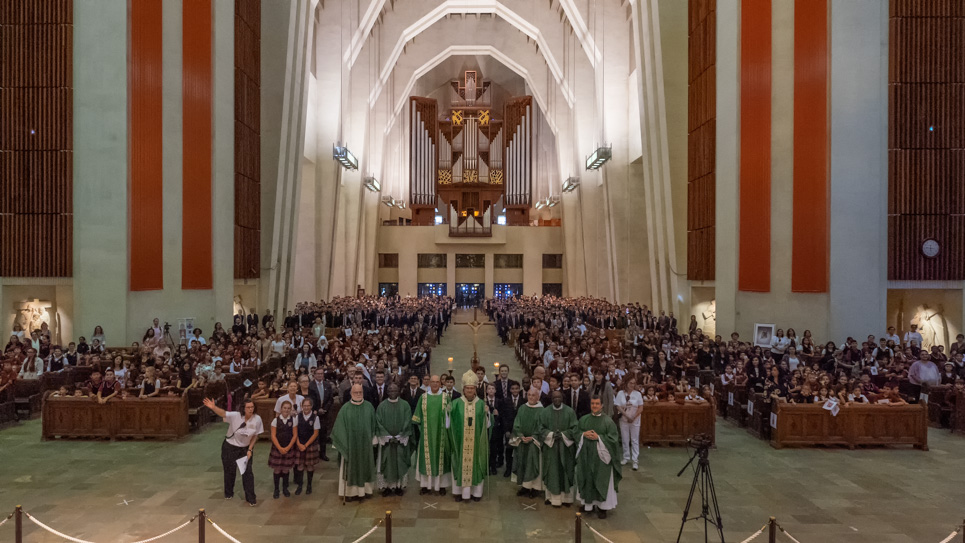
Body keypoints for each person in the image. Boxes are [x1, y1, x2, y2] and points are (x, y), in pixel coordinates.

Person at [203, 398, 264, 506]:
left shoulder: (257, 419)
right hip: (230, 447)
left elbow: (255, 435)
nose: (250, 409)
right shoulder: (236, 416)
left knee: (247, 473)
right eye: (248, 407)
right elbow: (223, 413)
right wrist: (213, 407)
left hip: (244, 449)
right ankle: (228, 492)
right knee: (229, 471)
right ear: (243, 408)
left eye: (252, 407)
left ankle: (251, 498)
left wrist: (250, 449)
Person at [447, 369, 491, 502]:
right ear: (463, 389)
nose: (470, 391)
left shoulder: (481, 404)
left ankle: (476, 493)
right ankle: (459, 493)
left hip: (476, 443)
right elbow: (448, 424)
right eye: (467, 388)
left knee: (476, 464)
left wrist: (487, 414)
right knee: (460, 463)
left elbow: (487, 425)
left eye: (472, 388)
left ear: (475, 389)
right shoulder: (456, 404)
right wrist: (447, 412)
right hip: (461, 443)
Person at [575, 396, 622, 519]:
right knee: (587, 478)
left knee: (601, 479)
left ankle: (603, 507)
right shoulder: (584, 419)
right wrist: (583, 434)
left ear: (602, 405)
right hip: (586, 456)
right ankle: (588, 505)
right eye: (592, 403)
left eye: (597, 404)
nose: (594, 406)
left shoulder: (608, 421)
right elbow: (576, 433)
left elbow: (613, 440)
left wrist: (599, 438)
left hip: (602, 458)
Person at [332, 384, 378, 501]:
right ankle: (349, 493)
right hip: (350, 446)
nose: (358, 394)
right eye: (356, 392)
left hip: (365, 445)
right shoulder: (345, 408)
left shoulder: (369, 407)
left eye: (360, 392)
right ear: (351, 393)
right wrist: (342, 443)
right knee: (350, 468)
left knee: (365, 465)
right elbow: (339, 427)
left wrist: (373, 439)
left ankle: (365, 491)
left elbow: (374, 425)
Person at [411, 374, 450, 495]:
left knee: (441, 459)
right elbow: (417, 418)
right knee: (426, 459)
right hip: (426, 435)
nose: (434, 384)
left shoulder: (446, 397)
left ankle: (442, 485)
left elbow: (450, 416)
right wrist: (422, 430)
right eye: (432, 382)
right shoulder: (423, 397)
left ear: (440, 384)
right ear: (429, 383)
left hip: (441, 435)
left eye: (437, 382)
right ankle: (425, 485)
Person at [540, 390, 579, 507]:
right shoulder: (545, 412)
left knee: (566, 471)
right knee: (552, 471)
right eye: (554, 398)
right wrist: (551, 435)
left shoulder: (570, 412)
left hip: (565, 448)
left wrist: (562, 435)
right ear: (551, 399)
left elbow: (575, 428)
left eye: (559, 397)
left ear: (562, 398)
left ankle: (567, 499)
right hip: (551, 448)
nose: (556, 399)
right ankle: (551, 498)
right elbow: (540, 428)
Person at [375, 383, 413, 496]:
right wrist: (387, 436)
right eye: (390, 390)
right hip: (386, 442)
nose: (392, 392)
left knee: (399, 463)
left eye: (395, 390)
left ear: (399, 392)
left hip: (400, 441)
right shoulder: (381, 406)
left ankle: (398, 486)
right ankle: (386, 486)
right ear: (387, 392)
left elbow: (407, 421)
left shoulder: (405, 405)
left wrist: (399, 436)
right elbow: (378, 423)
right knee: (386, 463)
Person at [509, 387, 543, 497]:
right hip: (522, 441)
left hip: (534, 443)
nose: (531, 397)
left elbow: (542, 427)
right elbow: (516, 423)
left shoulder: (542, 410)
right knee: (522, 463)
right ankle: (525, 486)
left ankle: (535, 488)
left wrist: (533, 437)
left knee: (533, 464)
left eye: (533, 395)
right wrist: (520, 435)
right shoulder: (522, 408)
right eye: (529, 395)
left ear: (538, 396)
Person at [268, 400, 297, 499]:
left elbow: (295, 435)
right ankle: (276, 489)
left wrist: (288, 447)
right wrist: (280, 448)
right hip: (277, 447)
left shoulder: (293, 420)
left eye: (289, 408)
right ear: (281, 409)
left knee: (285, 469)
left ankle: (285, 488)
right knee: (277, 469)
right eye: (285, 408)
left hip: (288, 447)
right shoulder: (275, 420)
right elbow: (273, 435)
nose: (286, 410)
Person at [293, 398, 321, 495]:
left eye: (308, 406)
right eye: (304, 406)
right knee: (300, 465)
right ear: (301, 406)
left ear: (311, 406)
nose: (306, 407)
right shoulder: (298, 416)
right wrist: (299, 444)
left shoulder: (315, 418)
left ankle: (309, 485)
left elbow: (315, 433)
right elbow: (295, 432)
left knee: (310, 465)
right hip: (299, 444)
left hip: (310, 445)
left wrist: (306, 445)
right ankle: (300, 485)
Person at [614, 378, 643, 471]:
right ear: (626, 383)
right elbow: (618, 406)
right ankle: (626, 457)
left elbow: (641, 407)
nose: (632, 385)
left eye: (634, 383)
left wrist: (633, 417)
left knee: (634, 439)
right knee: (625, 438)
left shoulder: (637, 394)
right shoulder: (620, 393)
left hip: (635, 419)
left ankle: (635, 460)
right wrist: (626, 415)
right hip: (624, 419)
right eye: (630, 383)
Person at [307, 367, 333, 461]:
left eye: (321, 374)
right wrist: (317, 410)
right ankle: (313, 454)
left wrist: (324, 409)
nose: (320, 375)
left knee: (323, 434)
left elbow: (330, 399)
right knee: (313, 435)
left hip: (324, 414)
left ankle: (323, 454)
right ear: (314, 375)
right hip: (314, 413)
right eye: (318, 374)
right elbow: (310, 400)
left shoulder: (327, 385)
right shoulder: (310, 386)